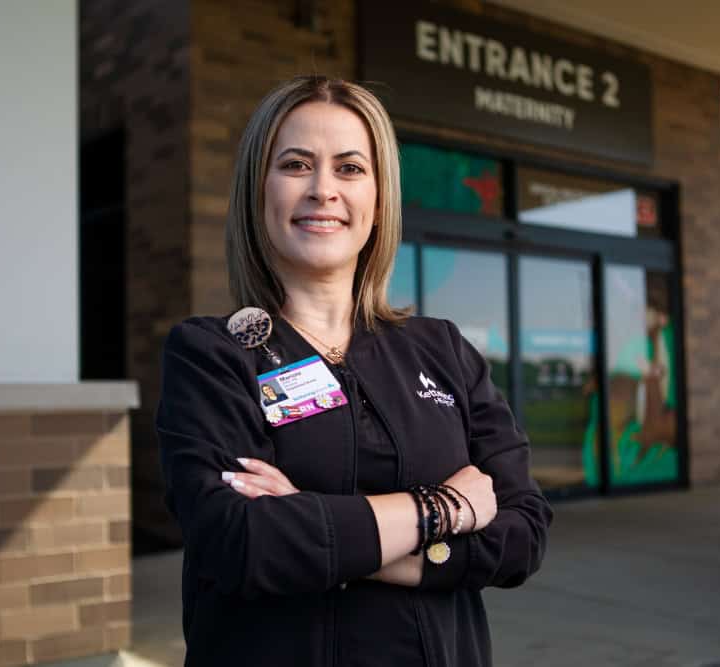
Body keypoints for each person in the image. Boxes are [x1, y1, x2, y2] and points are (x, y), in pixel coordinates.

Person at [156, 75, 553, 667]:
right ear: (257, 190)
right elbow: (245, 542)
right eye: (295, 164)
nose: (323, 190)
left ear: (378, 196)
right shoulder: (212, 354)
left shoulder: (440, 350)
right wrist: (441, 510)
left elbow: (521, 533)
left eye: (349, 168)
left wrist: (317, 528)